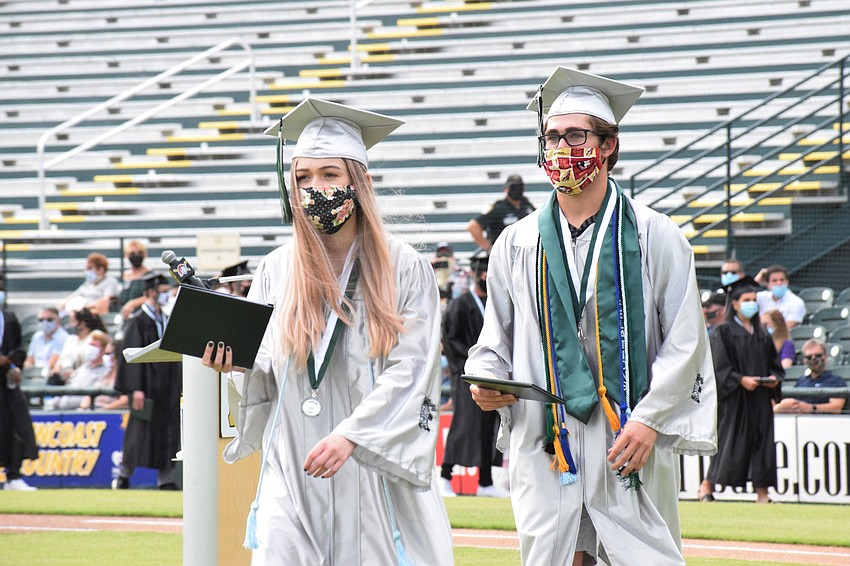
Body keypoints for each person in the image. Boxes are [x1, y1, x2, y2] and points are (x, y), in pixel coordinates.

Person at [464, 67, 717, 565]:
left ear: (608, 145)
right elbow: (493, 342)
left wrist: (648, 420)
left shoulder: (655, 236)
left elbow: (686, 341)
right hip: (548, 440)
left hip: (626, 438)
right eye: (552, 137)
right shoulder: (515, 244)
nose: (562, 148)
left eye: (576, 135)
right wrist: (488, 381)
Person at [201, 98, 453, 564]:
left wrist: (352, 436)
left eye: (330, 175)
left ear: (358, 181)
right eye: (303, 178)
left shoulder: (404, 268)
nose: (315, 188)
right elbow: (266, 368)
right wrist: (234, 362)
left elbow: (412, 370)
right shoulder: (277, 268)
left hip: (370, 470)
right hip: (293, 468)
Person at [700, 276, 783, 504]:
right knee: (730, 443)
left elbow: (774, 365)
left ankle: (763, 494)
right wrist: (740, 380)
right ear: (735, 303)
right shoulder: (723, 332)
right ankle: (707, 486)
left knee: (762, 444)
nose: (751, 304)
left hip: (759, 398)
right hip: (734, 400)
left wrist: (775, 379)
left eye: (754, 299)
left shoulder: (761, 333)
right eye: (746, 299)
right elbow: (718, 368)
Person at [440, 251, 508, 498]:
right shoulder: (461, 304)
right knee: (463, 426)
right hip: (466, 376)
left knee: (489, 428)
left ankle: (485, 482)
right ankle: (445, 476)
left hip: (491, 375)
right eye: (484, 272)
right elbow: (450, 339)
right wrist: (467, 365)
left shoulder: (494, 304)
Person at [112, 273, 181, 490]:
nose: (164, 295)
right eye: (161, 292)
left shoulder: (165, 319)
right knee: (138, 434)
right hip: (147, 388)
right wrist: (136, 389)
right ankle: (124, 475)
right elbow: (130, 356)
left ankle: (166, 479)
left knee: (169, 433)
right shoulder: (138, 322)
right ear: (150, 292)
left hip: (167, 388)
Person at [0, 290, 36, 491]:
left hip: (7, 381)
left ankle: (13, 475)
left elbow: (18, 346)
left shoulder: (9, 317)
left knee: (17, 425)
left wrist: (13, 365)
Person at [45, 330, 112, 411]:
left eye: (94, 345)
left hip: (80, 411)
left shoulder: (106, 371)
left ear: (103, 349)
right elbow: (69, 387)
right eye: (89, 345)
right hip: (63, 407)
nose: (90, 348)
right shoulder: (82, 368)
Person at [774, 339, 847, 414]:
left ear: (825, 357)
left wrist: (811, 408)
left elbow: (837, 407)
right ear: (804, 360)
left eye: (818, 355)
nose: (813, 359)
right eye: (809, 357)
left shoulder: (836, 380)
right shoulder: (801, 381)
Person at [467, 174, 535, 252]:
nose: (517, 190)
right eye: (513, 187)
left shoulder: (527, 207)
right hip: (503, 255)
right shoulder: (498, 208)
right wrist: (490, 249)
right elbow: (473, 227)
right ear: (506, 189)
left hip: (524, 253)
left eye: (519, 187)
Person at [50, 307, 107, 385]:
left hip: (86, 377)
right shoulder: (71, 339)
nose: (70, 325)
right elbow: (62, 359)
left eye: (72, 321)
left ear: (82, 323)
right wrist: (57, 369)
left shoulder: (95, 336)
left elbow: (94, 360)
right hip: (64, 378)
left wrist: (75, 373)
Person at [24, 307, 69, 373]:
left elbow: (52, 364)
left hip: (49, 375)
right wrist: (29, 370)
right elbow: (29, 360)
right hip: (34, 373)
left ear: (58, 321)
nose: (45, 323)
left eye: (49, 319)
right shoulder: (37, 336)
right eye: (41, 320)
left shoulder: (63, 337)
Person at [119, 240, 152, 319]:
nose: (136, 256)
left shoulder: (150, 275)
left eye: (140, 253)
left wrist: (133, 303)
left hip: (142, 316)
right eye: (132, 253)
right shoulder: (125, 275)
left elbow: (151, 296)